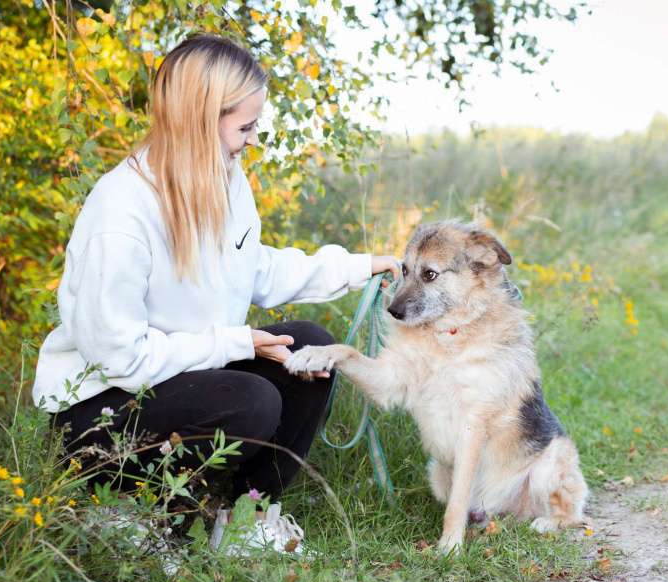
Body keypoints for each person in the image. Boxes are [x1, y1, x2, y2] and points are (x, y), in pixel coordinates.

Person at [31, 33, 399, 553]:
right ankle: (131, 513)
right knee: (251, 398)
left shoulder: (222, 177)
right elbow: (118, 356)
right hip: (100, 414)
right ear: (200, 120)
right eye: (244, 126)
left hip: (182, 380)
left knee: (308, 348)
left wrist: (360, 267)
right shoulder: (121, 211)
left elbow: (257, 269)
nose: (251, 139)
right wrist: (235, 344)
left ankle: (246, 519)